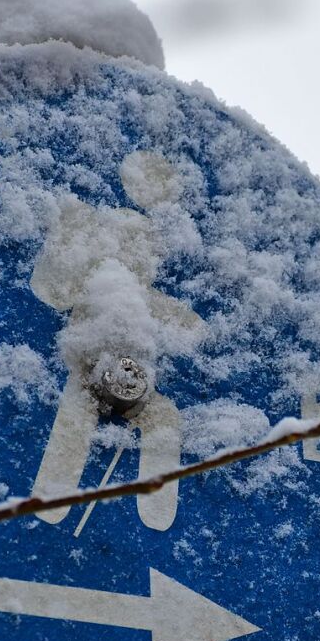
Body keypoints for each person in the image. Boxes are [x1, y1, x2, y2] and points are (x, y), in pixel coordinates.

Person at [30, 151, 204, 533]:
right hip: (88, 364)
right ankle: (52, 501)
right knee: (75, 413)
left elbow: (179, 320)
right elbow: (51, 288)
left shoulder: (135, 294)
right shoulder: (95, 280)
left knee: (162, 416)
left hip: (129, 372)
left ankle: (157, 513)